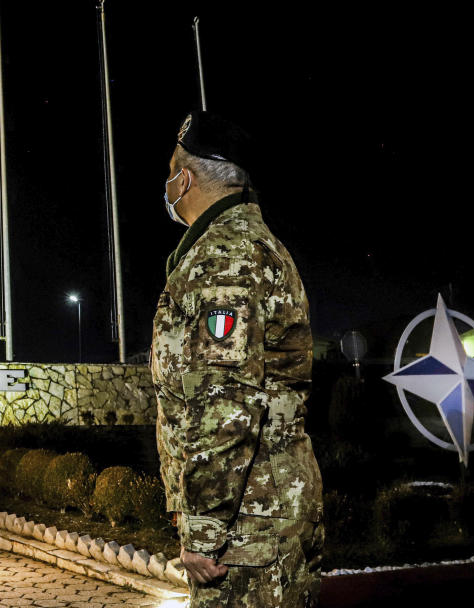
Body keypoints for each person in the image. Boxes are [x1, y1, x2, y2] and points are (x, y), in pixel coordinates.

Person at [152, 111, 323, 607]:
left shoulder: (223, 257)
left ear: (185, 179)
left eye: (170, 172)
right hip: (266, 515)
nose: (167, 185)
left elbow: (224, 402)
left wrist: (203, 529)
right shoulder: (253, 245)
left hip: (248, 531)